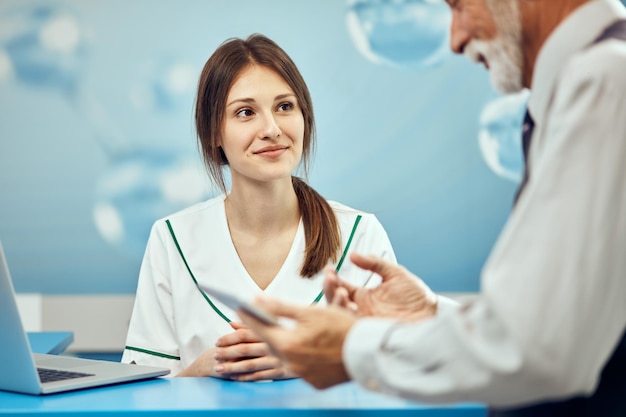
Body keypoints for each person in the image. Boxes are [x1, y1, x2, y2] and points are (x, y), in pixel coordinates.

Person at [239, 0, 626, 414]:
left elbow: (536, 347)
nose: (455, 39)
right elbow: (561, 317)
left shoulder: (605, 80)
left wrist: (352, 347)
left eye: (460, 6)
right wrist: (429, 311)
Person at [121, 34, 396, 381]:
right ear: (213, 133)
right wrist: (201, 371)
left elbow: (397, 368)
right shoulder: (172, 238)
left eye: (284, 106)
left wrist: (305, 362)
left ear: (304, 117)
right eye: (245, 112)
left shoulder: (360, 235)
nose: (271, 129)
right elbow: (140, 395)